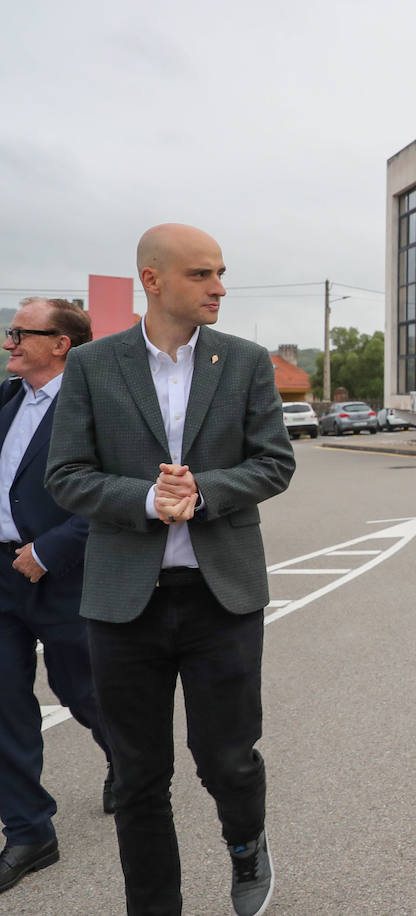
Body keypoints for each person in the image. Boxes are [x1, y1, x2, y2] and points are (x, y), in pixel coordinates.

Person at [45, 224, 295, 916]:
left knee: (227, 759)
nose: (218, 288)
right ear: (152, 281)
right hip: (123, 601)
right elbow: (66, 475)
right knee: (137, 776)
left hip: (222, 597)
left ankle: (246, 844)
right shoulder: (93, 365)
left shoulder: (244, 362)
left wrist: (202, 490)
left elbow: (275, 462)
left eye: (220, 273)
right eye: (201, 274)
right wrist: (146, 499)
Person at [0, 298, 112, 896]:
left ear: (61, 343)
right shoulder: (7, 399)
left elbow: (118, 492)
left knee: (82, 689)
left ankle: (126, 760)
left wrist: (50, 550)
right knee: (3, 702)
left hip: (65, 574)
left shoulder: (97, 405)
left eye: (21, 333)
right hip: (1, 573)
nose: (9, 342)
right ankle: (29, 831)